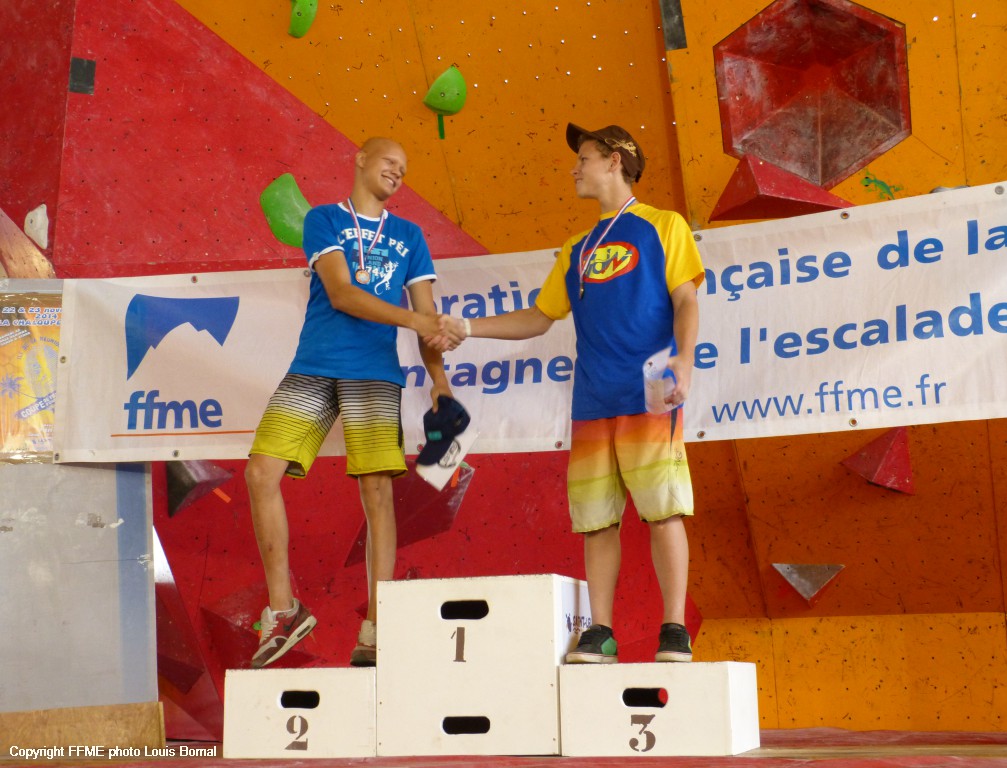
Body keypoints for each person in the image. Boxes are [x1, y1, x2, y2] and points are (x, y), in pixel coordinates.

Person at [438, 123, 704, 663]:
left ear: (615, 161)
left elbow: (686, 299)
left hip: (649, 392)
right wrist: (467, 327)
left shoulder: (663, 225)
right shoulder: (577, 248)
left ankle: (674, 628)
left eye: (584, 158)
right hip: (591, 400)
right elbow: (539, 318)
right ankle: (600, 632)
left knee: (663, 510)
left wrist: (684, 358)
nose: (574, 168)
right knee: (596, 519)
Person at [246, 137, 458, 669]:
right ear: (361, 159)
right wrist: (416, 320)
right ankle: (284, 611)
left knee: (377, 493)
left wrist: (440, 381)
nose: (398, 172)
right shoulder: (324, 220)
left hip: (374, 373)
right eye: (390, 161)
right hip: (315, 364)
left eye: (404, 168)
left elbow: (428, 318)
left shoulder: (409, 236)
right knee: (261, 472)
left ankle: (377, 628)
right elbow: (341, 293)